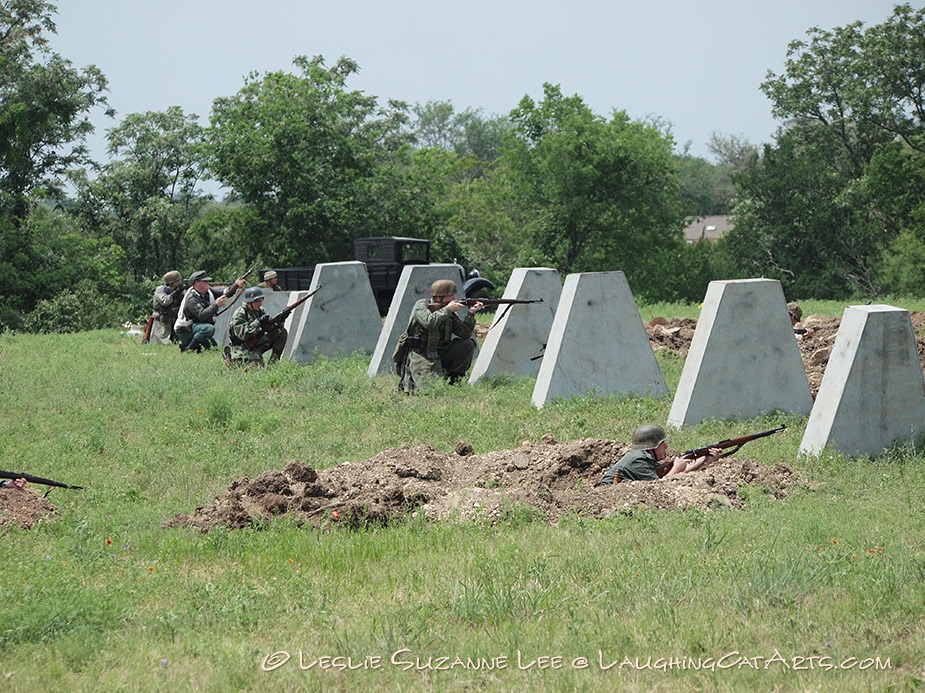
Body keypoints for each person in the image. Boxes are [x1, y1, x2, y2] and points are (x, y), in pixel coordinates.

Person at [399, 279, 484, 393]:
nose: (454, 298)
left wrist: (471, 313)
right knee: (430, 391)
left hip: (441, 352)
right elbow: (429, 322)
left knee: (467, 344)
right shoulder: (421, 306)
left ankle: (454, 381)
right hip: (422, 355)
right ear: (439, 297)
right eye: (451, 295)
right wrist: (448, 309)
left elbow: (464, 334)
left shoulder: (448, 311)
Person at [597, 424, 722, 485]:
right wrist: (676, 468)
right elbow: (661, 485)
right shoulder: (638, 460)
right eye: (662, 444)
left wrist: (706, 459)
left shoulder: (644, 456)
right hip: (605, 493)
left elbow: (671, 473)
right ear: (652, 447)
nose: (666, 447)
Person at [174, 270, 246, 352]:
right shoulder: (191, 298)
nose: (207, 283)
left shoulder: (207, 291)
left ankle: (196, 347)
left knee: (215, 350)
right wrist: (216, 305)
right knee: (209, 329)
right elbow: (202, 316)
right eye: (205, 281)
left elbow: (226, 293)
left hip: (198, 328)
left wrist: (236, 285)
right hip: (186, 329)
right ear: (197, 283)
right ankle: (189, 349)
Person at [225, 287, 288, 366]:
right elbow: (243, 335)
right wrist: (258, 322)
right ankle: (232, 361)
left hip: (257, 342)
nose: (260, 304)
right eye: (258, 301)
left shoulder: (260, 311)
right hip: (242, 347)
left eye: (261, 300)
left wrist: (281, 319)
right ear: (250, 302)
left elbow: (271, 328)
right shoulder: (239, 314)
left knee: (281, 333)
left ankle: (273, 365)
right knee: (256, 369)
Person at [150, 270, 184, 345]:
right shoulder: (160, 290)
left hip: (174, 320)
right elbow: (165, 301)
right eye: (178, 281)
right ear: (171, 283)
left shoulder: (180, 290)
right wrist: (175, 293)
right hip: (162, 321)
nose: (180, 282)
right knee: (164, 343)